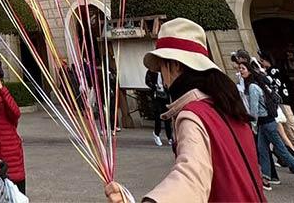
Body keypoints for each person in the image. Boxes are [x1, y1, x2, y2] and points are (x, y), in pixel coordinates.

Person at [104, 17, 264, 203]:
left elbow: (190, 178)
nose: (162, 77)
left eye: (162, 66)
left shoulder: (193, 115)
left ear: (175, 65)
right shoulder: (226, 105)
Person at [239, 60, 294, 190]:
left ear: (249, 71)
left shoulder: (252, 87)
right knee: (263, 150)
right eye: (240, 68)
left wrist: (253, 124)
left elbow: (254, 110)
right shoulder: (257, 83)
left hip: (266, 123)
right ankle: (266, 178)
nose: (240, 71)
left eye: (243, 69)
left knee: (284, 153)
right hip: (266, 123)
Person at [258, 51, 294, 149]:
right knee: (285, 122)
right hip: (278, 100)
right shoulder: (269, 70)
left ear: (267, 60)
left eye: (262, 61)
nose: (261, 63)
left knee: (290, 121)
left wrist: (263, 74)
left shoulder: (274, 70)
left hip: (282, 98)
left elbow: (274, 83)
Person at [145, 69, 172, 147]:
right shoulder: (151, 71)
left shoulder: (166, 70)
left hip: (165, 95)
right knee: (158, 115)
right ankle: (156, 134)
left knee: (167, 116)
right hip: (156, 95)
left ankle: (170, 136)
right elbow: (147, 81)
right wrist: (154, 86)